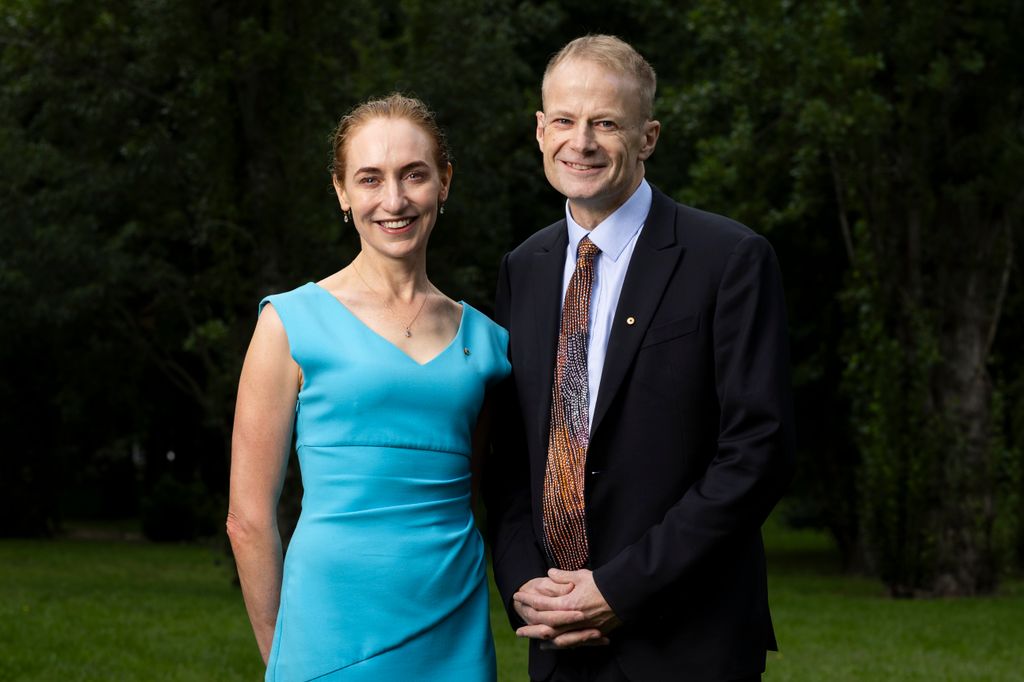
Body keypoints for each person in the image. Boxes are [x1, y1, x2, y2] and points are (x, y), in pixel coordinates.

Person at [487, 35, 795, 682]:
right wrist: (523, 582)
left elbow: (756, 454)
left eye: (606, 123)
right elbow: (514, 456)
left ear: (648, 136)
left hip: (687, 639)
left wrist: (620, 590)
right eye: (565, 121)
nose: (583, 142)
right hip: (557, 635)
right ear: (540, 131)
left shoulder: (728, 260)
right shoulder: (525, 268)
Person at [227, 93, 508, 682]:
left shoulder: (488, 343)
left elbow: (479, 499)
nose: (395, 200)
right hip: (327, 631)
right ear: (341, 192)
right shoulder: (289, 323)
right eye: (370, 179)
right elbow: (248, 518)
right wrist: (283, 652)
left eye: (414, 175)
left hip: (452, 628)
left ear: (445, 181)